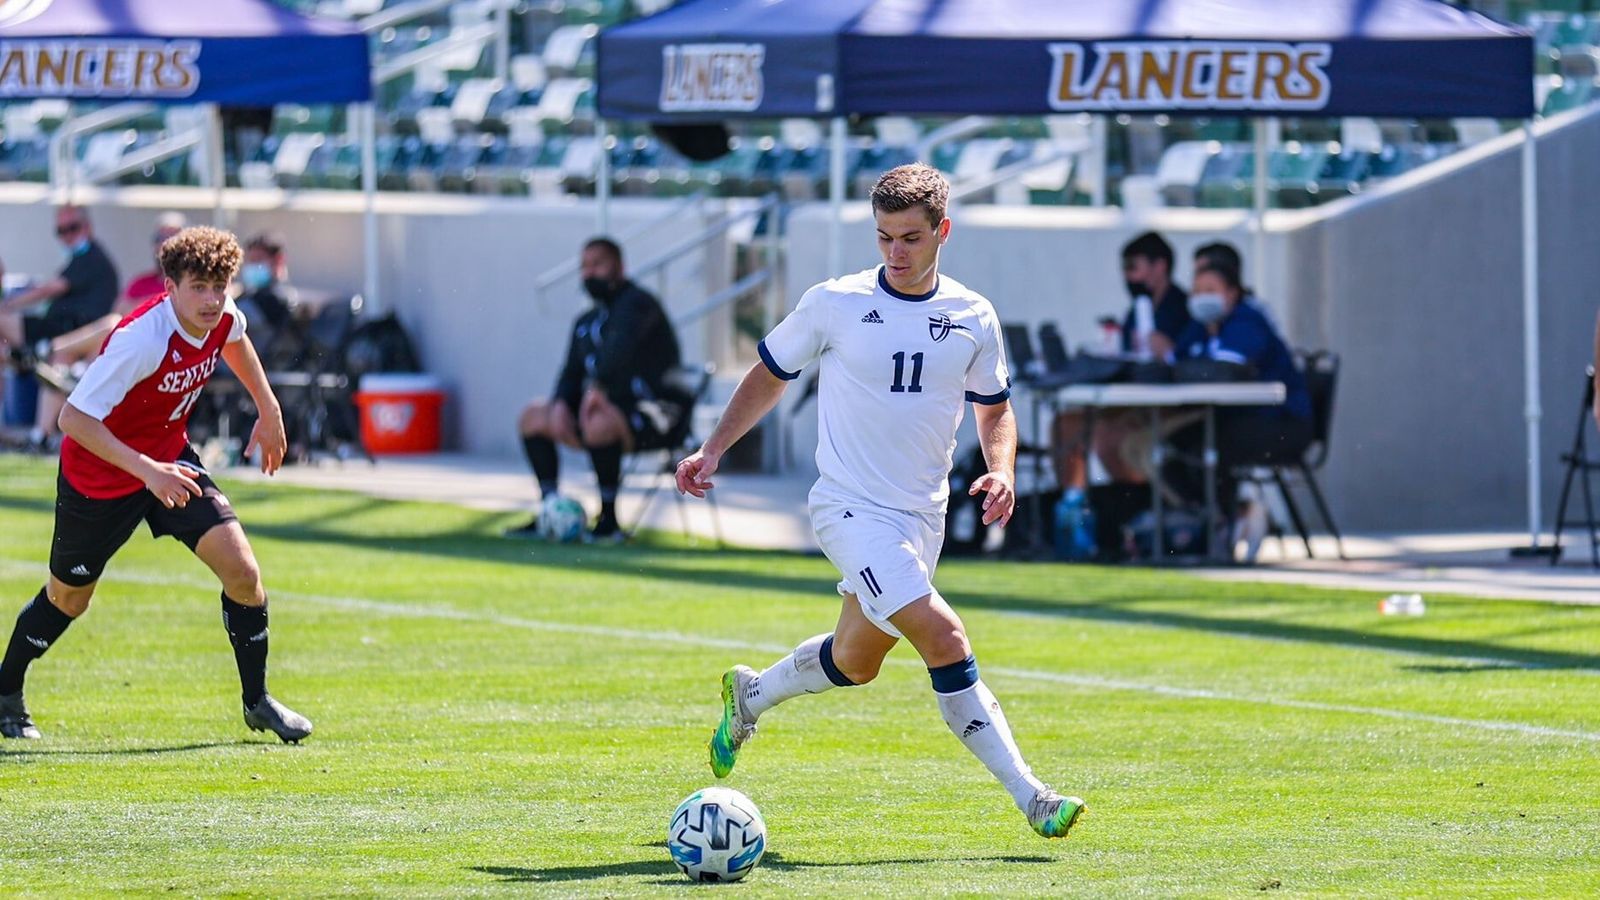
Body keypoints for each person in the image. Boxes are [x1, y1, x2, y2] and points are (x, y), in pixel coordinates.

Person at [674, 164, 1084, 839]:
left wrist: (1001, 469)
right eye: (884, 237)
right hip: (848, 510)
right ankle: (1031, 795)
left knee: (856, 662)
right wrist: (713, 448)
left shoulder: (972, 315)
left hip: (921, 518)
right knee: (945, 637)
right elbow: (771, 375)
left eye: (911, 239)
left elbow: (995, 409)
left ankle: (751, 694)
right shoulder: (833, 302)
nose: (895, 253)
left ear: (942, 232)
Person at [0, 226, 312, 744]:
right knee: (68, 599)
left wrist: (268, 407)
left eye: (220, 286)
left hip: (169, 462)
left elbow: (236, 338)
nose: (212, 300)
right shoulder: (141, 339)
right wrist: (146, 471)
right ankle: (6, 690)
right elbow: (73, 420)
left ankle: (257, 701)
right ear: (168, 287)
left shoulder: (221, 314)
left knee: (242, 572)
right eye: (198, 287)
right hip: (99, 477)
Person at [509, 237, 685, 541]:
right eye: (584, 267)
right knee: (533, 416)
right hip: (596, 413)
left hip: (653, 416)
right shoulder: (585, 320)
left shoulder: (639, 304)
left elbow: (620, 349)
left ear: (619, 267)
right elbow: (571, 372)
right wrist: (562, 403)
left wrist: (599, 387)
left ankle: (608, 520)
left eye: (598, 265)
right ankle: (549, 509)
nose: (589, 274)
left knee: (598, 419)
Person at [1165, 259, 1313, 518]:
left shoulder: (1247, 320)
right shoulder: (1201, 325)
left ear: (1232, 292)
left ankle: (1234, 517)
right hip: (1239, 419)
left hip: (1282, 423)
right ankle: (1204, 523)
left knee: (1207, 446)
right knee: (1174, 444)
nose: (1201, 298)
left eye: (1210, 290)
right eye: (1197, 292)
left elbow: (1225, 370)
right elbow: (1177, 362)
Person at [1052, 232, 1193, 497]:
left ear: (1160, 266)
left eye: (1133, 267)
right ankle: (1072, 509)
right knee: (1065, 425)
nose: (1128, 277)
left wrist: (1169, 353)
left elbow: (1184, 363)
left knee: (1110, 438)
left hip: (1167, 407)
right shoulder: (1137, 310)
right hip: (1130, 400)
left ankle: (1137, 509)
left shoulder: (1183, 309)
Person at [0, 206, 120, 449]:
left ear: (87, 227)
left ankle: (32, 353)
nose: (67, 235)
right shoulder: (80, 259)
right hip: (65, 342)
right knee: (57, 369)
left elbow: (50, 289)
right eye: (61, 230)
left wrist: (8, 303)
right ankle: (40, 436)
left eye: (72, 228)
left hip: (73, 335)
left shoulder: (93, 257)